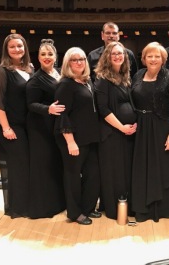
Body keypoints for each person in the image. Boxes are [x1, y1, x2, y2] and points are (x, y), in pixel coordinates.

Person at [130, 42, 169, 222]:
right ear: (144, 58)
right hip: (142, 129)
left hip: (163, 128)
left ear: (163, 59)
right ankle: (144, 209)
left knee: (165, 168)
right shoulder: (138, 75)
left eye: (157, 56)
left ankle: (165, 209)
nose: (153, 59)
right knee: (144, 168)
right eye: (150, 56)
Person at [55, 47, 101, 225]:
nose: (79, 62)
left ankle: (87, 208)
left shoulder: (87, 81)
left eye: (82, 59)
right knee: (73, 176)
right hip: (72, 139)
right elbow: (62, 114)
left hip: (89, 137)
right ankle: (74, 213)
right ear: (67, 63)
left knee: (93, 174)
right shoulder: (65, 84)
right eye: (74, 60)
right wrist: (70, 141)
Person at [0, 33, 33, 218]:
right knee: (18, 167)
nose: (17, 49)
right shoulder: (2, 71)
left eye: (20, 46)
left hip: (28, 126)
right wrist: (6, 128)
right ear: (6, 50)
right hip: (12, 127)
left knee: (26, 167)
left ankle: (27, 203)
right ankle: (17, 208)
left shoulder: (30, 68)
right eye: (13, 47)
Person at [94, 41, 137, 220]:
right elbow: (103, 109)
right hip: (112, 133)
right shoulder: (103, 79)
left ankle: (127, 206)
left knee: (125, 171)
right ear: (107, 57)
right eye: (114, 54)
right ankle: (113, 209)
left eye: (121, 54)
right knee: (114, 172)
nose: (118, 56)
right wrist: (122, 127)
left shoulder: (125, 76)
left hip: (127, 134)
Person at [26, 39, 66, 219]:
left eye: (50, 54)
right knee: (43, 167)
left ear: (56, 56)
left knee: (56, 165)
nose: (47, 57)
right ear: (38, 57)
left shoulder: (59, 73)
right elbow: (30, 104)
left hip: (54, 126)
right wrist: (47, 109)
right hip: (40, 128)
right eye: (43, 54)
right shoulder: (35, 79)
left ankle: (58, 203)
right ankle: (43, 207)